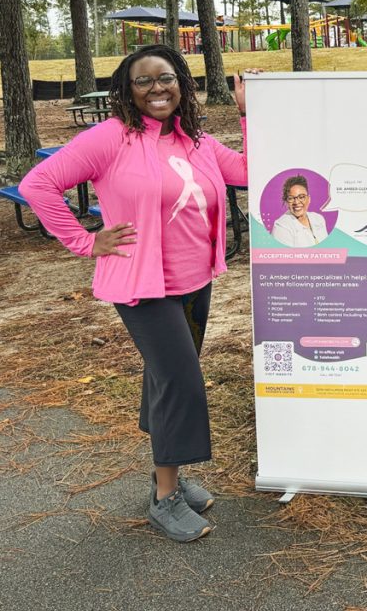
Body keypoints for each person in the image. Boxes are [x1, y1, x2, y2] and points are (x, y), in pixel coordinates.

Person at [20, 44, 252, 543]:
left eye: (165, 78)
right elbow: (38, 184)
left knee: (166, 379)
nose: (156, 89)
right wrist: (85, 241)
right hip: (142, 285)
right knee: (181, 383)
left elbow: (251, 173)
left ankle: (167, 474)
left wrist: (247, 114)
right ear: (127, 91)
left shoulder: (196, 141)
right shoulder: (109, 139)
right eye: (143, 81)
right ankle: (164, 496)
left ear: (181, 84)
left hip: (195, 279)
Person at [271, 175, 328, 247]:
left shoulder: (319, 219)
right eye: (291, 198)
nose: (296, 202)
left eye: (301, 197)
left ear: (309, 199)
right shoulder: (281, 227)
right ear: (286, 202)